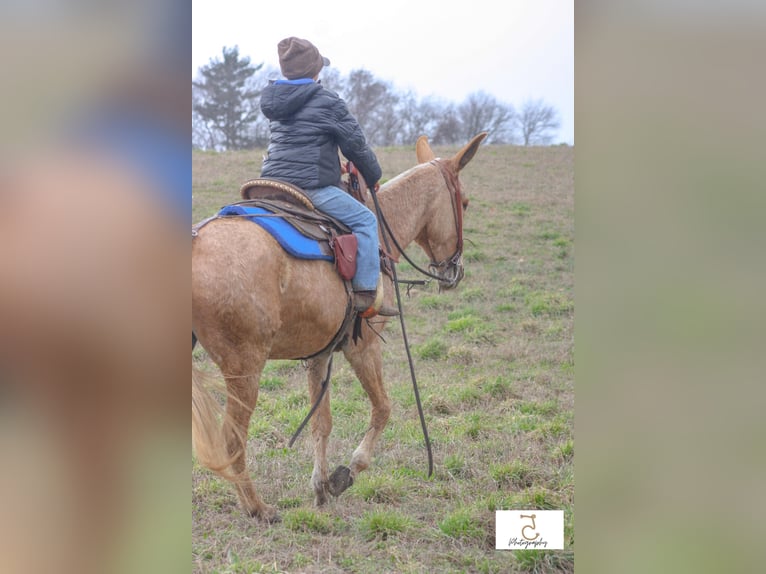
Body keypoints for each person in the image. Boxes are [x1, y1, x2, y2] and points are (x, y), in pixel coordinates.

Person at [260, 36, 398, 317]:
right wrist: (373, 176)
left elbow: (301, 145)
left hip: (271, 185)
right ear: (315, 71)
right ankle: (365, 295)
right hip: (311, 188)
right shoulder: (327, 101)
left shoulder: (274, 101)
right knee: (365, 220)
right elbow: (356, 146)